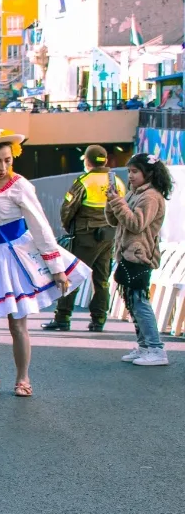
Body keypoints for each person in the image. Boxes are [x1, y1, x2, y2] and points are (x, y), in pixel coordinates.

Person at [0, 129, 89, 397]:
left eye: (7, 160)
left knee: (18, 322)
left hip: (15, 256)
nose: (3, 167)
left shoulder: (19, 185)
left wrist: (57, 269)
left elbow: (40, 226)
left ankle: (23, 379)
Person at [43, 145, 124, 333]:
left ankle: (62, 318)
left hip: (85, 236)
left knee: (72, 276)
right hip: (108, 236)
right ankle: (99, 319)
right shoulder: (117, 181)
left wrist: (68, 228)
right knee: (101, 279)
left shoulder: (84, 181)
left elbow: (68, 208)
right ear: (104, 161)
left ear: (87, 161)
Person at [108, 153, 173, 366]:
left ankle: (155, 348)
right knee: (133, 302)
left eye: (135, 171)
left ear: (149, 173)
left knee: (140, 302)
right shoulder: (134, 193)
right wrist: (112, 203)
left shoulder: (151, 196)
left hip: (140, 254)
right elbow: (115, 220)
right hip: (128, 254)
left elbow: (136, 224)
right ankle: (145, 346)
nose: (130, 176)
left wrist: (118, 203)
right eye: (129, 171)